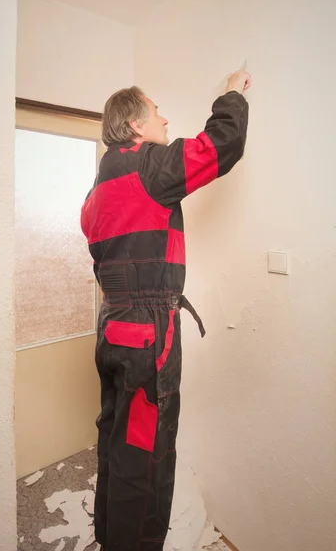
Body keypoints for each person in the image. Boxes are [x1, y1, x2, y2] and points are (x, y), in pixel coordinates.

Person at [81, 70, 251, 551]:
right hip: (147, 335)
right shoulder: (150, 167)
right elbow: (223, 143)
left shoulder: (93, 195)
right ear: (135, 124)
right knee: (146, 454)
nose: (165, 119)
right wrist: (233, 93)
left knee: (116, 441)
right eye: (156, 112)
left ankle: (111, 539)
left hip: (111, 327)